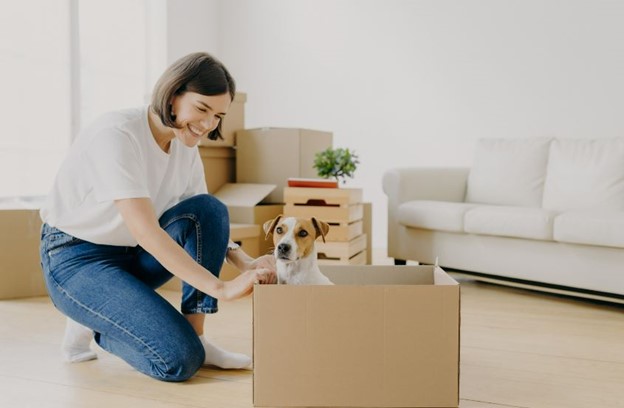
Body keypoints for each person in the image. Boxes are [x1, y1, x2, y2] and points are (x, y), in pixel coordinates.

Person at [39, 52, 277, 382]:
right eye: (202, 109)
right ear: (173, 94)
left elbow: (203, 221)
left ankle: (199, 336)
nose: (208, 125)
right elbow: (147, 231)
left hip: (132, 256)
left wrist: (245, 262)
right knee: (179, 361)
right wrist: (222, 288)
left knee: (208, 208)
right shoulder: (117, 134)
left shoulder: (185, 145)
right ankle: (97, 322)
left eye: (218, 116)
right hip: (76, 259)